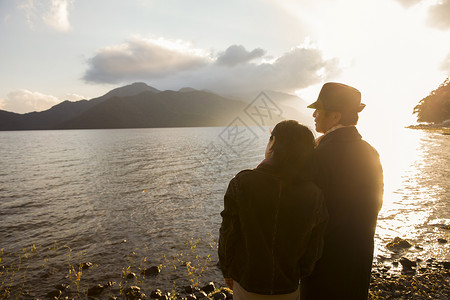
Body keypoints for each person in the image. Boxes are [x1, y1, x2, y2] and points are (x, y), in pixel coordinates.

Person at [218, 120, 328, 300]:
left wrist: (227, 270)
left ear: (274, 142)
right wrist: (300, 272)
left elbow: (228, 234)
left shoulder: (243, 183)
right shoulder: (314, 193)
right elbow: (315, 245)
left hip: (247, 284)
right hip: (289, 286)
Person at [300, 82, 384, 299]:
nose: (315, 115)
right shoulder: (370, 152)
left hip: (325, 259)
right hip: (359, 253)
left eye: (318, 110)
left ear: (335, 116)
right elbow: (376, 202)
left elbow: (308, 209)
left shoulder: (318, 156)